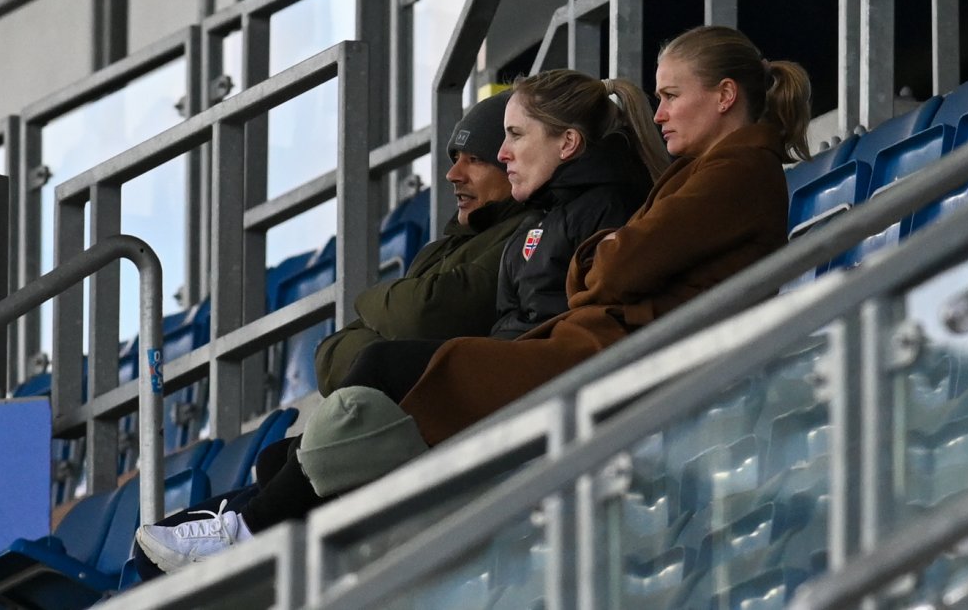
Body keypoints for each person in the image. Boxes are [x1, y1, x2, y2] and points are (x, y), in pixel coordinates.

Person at [135, 68, 671, 572]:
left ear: (567, 144)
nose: (504, 154)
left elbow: (449, 315)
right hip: (519, 365)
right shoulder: (550, 217)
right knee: (288, 454)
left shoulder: (599, 207)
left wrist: (377, 303)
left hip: (550, 375)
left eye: (512, 138)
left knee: (381, 366)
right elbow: (338, 353)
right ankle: (249, 542)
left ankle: (250, 533)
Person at [312, 90, 528, 397]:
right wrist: (384, 352)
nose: (453, 174)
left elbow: (425, 316)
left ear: (513, 164)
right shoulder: (435, 251)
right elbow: (329, 356)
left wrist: (369, 301)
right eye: (456, 159)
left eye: (475, 160)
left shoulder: (529, 234)